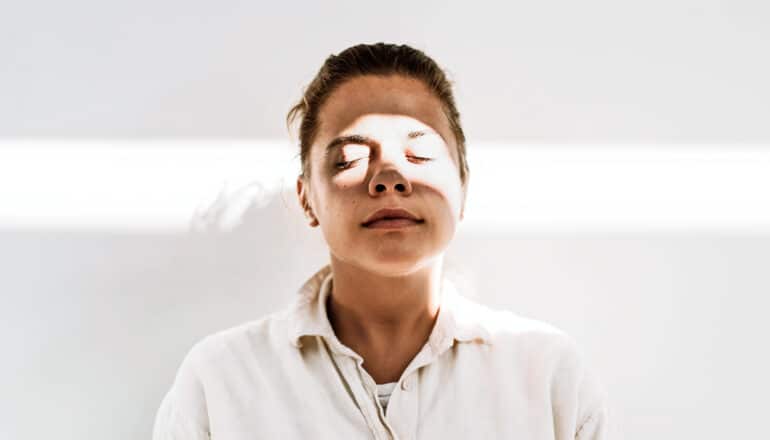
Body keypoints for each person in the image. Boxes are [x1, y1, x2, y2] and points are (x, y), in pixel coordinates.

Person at [152, 42, 608, 439]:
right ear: (306, 197)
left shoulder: (548, 374)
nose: (390, 177)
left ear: (463, 185)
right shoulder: (219, 380)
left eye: (421, 153)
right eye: (350, 158)